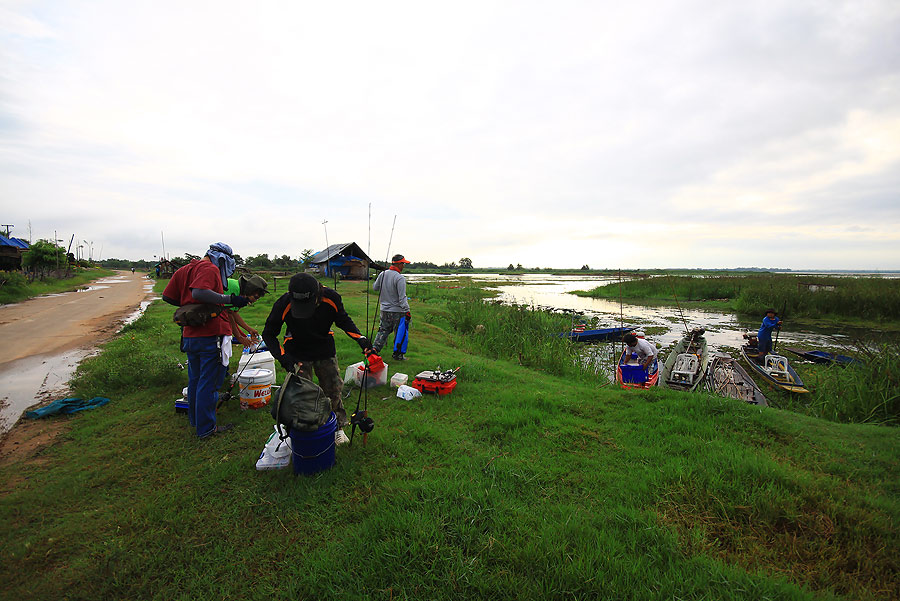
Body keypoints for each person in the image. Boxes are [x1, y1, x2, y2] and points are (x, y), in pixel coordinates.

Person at [261, 273, 373, 445]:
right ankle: (299, 429)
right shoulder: (284, 303)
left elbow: (343, 320)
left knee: (333, 389)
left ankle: (338, 427)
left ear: (317, 295)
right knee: (300, 394)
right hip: (296, 351)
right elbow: (269, 333)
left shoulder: (331, 298)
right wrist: (284, 358)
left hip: (324, 348)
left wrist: (360, 338)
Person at [163, 243, 250, 438]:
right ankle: (207, 429)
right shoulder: (209, 268)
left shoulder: (186, 269)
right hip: (210, 335)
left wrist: (191, 308)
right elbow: (199, 293)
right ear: (222, 259)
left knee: (195, 380)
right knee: (208, 384)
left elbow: (168, 296)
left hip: (190, 335)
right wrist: (229, 300)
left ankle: (196, 421)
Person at [372, 254, 411, 360]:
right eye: (403, 264)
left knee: (383, 330)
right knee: (399, 332)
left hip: (384, 309)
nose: (403, 266)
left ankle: (374, 350)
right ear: (398, 264)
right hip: (398, 311)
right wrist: (407, 311)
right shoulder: (400, 278)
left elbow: (375, 287)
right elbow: (402, 298)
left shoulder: (383, 274)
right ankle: (398, 355)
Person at [224, 274, 269, 347]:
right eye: (255, 297)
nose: (254, 301)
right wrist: (239, 337)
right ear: (250, 290)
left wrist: (249, 329)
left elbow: (234, 313)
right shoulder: (235, 288)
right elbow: (228, 314)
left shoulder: (239, 292)